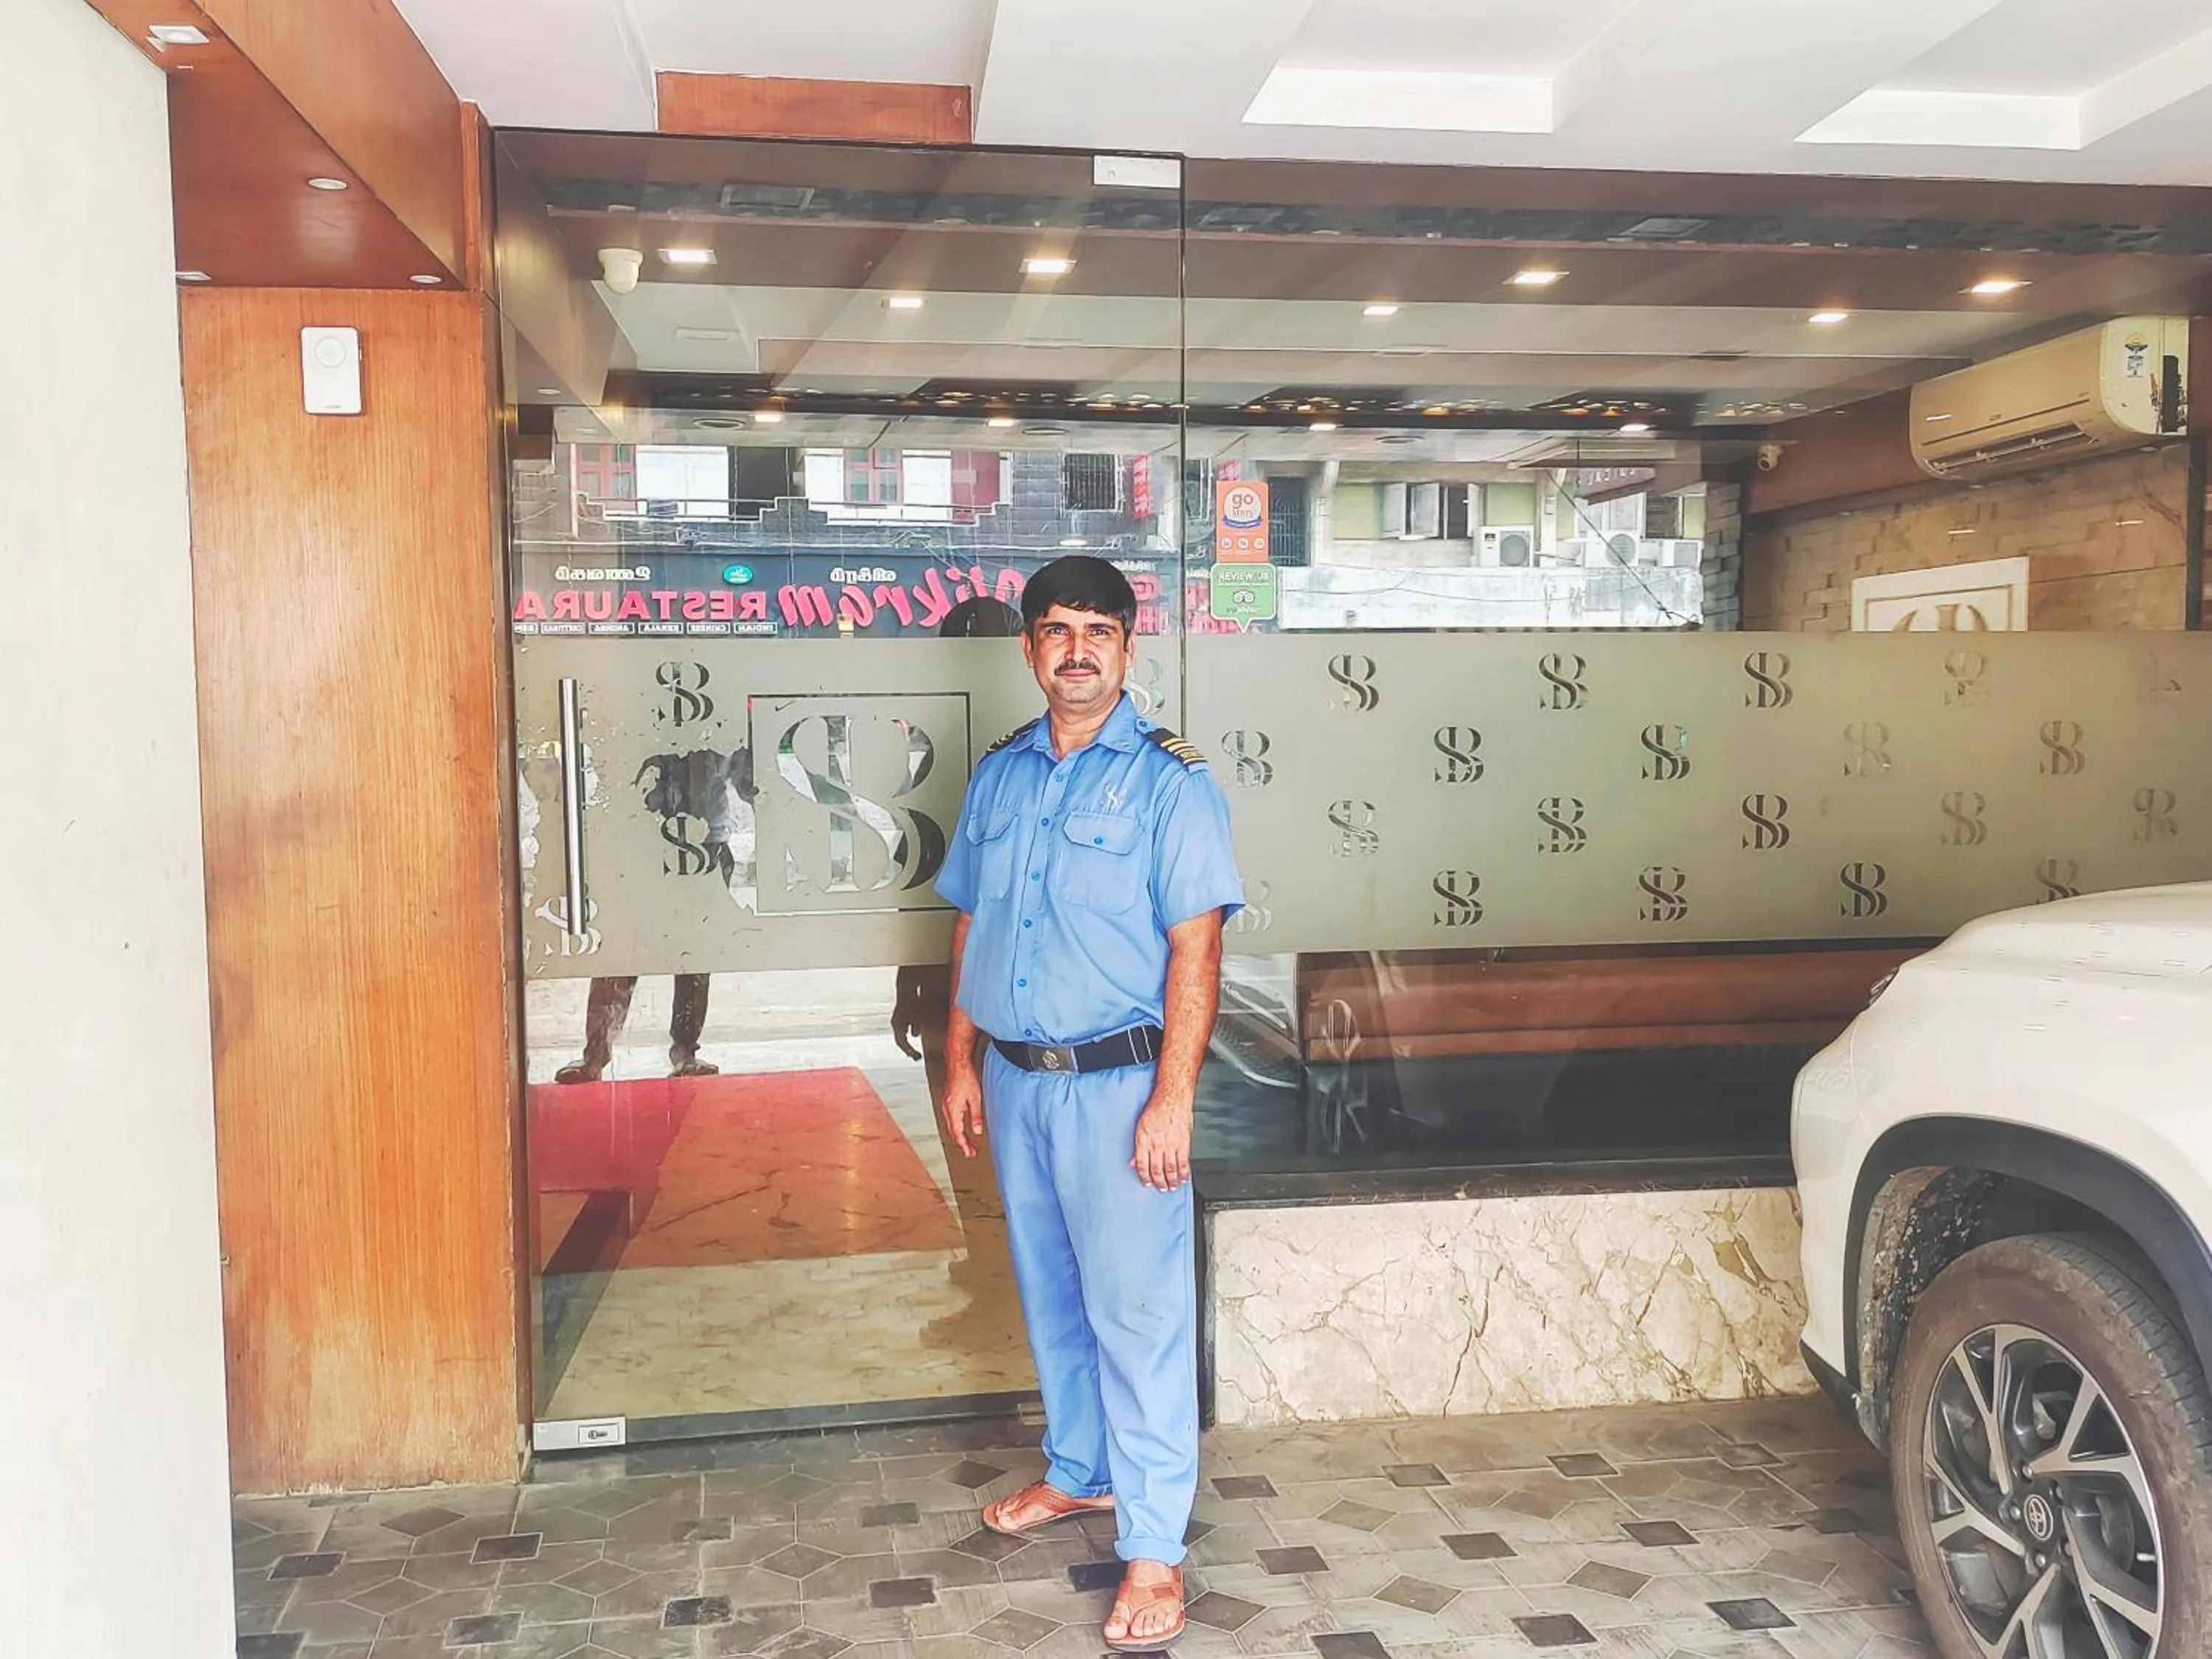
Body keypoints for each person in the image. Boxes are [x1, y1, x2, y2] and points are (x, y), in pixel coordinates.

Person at [935, 557, 1243, 1652]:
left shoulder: (1171, 782)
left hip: (1120, 1087)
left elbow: (1194, 950)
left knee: (1140, 1314)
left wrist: (1173, 1099)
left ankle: (1154, 1545)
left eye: (1097, 631)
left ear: (1127, 646)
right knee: (1052, 1293)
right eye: (1056, 630)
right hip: (1019, 1082)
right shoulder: (1004, 774)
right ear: (1029, 648)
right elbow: (970, 921)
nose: (1076, 649)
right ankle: (1083, 1471)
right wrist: (960, 1058)